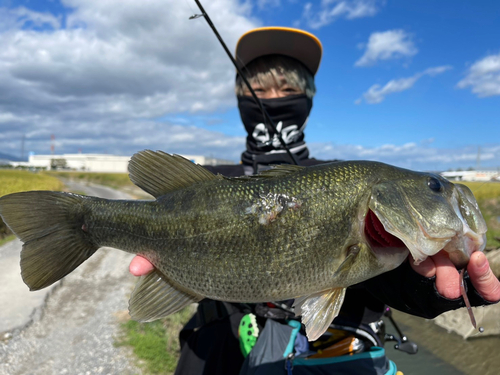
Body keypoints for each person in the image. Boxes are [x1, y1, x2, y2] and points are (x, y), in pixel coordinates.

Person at [129, 27, 500, 374]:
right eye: (259, 87)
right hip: (219, 342)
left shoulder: (344, 178)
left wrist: (431, 287)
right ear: (241, 98)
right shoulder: (209, 181)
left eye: (288, 87)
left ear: (307, 99)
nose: (273, 98)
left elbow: (384, 280)